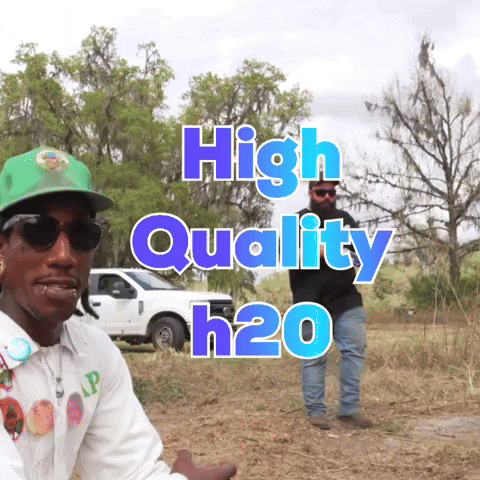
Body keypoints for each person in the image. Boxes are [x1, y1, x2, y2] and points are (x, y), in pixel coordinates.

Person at [0, 147, 237, 480]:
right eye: (40, 230)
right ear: (2, 247)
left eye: (83, 234)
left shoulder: (94, 352)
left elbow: (129, 470)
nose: (65, 255)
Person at [288, 176, 373, 430]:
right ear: (310, 193)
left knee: (354, 352)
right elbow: (289, 255)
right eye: (321, 192)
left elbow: (362, 258)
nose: (327, 197)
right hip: (310, 303)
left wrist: (351, 257)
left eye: (331, 193)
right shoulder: (297, 222)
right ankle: (316, 412)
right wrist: (326, 250)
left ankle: (350, 409)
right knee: (314, 358)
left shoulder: (345, 220)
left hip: (347, 301)